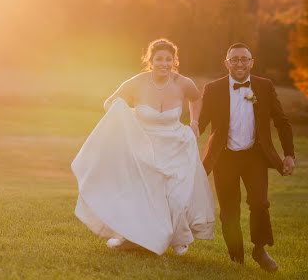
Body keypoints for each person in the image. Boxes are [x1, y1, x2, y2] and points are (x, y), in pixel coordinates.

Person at [71, 38, 215, 255]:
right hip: (143, 148)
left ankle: (178, 237)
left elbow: (196, 99)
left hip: (176, 146)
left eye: (168, 59)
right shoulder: (137, 82)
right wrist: (125, 116)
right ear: (150, 60)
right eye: (159, 59)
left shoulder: (184, 83)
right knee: (141, 195)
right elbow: (109, 102)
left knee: (176, 196)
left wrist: (194, 121)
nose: (164, 63)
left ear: (174, 61)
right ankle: (132, 237)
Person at [194, 42, 295, 273]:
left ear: (251, 62)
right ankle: (236, 259)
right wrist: (178, 139)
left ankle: (259, 250)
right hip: (224, 158)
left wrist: (289, 154)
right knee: (229, 211)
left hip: (254, 157)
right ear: (226, 63)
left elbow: (281, 121)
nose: (239, 63)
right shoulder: (213, 88)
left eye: (244, 59)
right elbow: (200, 124)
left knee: (260, 204)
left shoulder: (264, 86)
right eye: (235, 59)